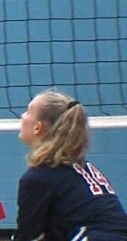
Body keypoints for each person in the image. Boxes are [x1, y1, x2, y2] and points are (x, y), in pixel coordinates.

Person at [13, 90, 127, 240]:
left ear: (37, 127)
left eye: (27, 112)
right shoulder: (83, 167)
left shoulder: (38, 177)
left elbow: (27, 235)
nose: (22, 116)